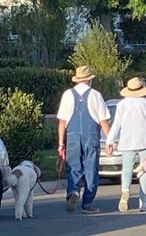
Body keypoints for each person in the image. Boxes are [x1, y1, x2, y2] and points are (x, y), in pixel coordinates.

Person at [57, 65, 110, 214]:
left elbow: (62, 121)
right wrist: (110, 140)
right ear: (89, 80)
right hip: (91, 134)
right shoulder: (95, 95)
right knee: (91, 169)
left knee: (73, 167)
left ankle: (73, 191)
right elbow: (103, 121)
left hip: (72, 134)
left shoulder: (67, 94)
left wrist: (61, 144)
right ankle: (87, 203)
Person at [105, 76, 146, 213]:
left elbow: (116, 124)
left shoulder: (121, 104)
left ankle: (125, 191)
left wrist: (109, 141)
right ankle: (143, 201)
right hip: (143, 140)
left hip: (126, 140)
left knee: (126, 170)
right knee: (144, 170)